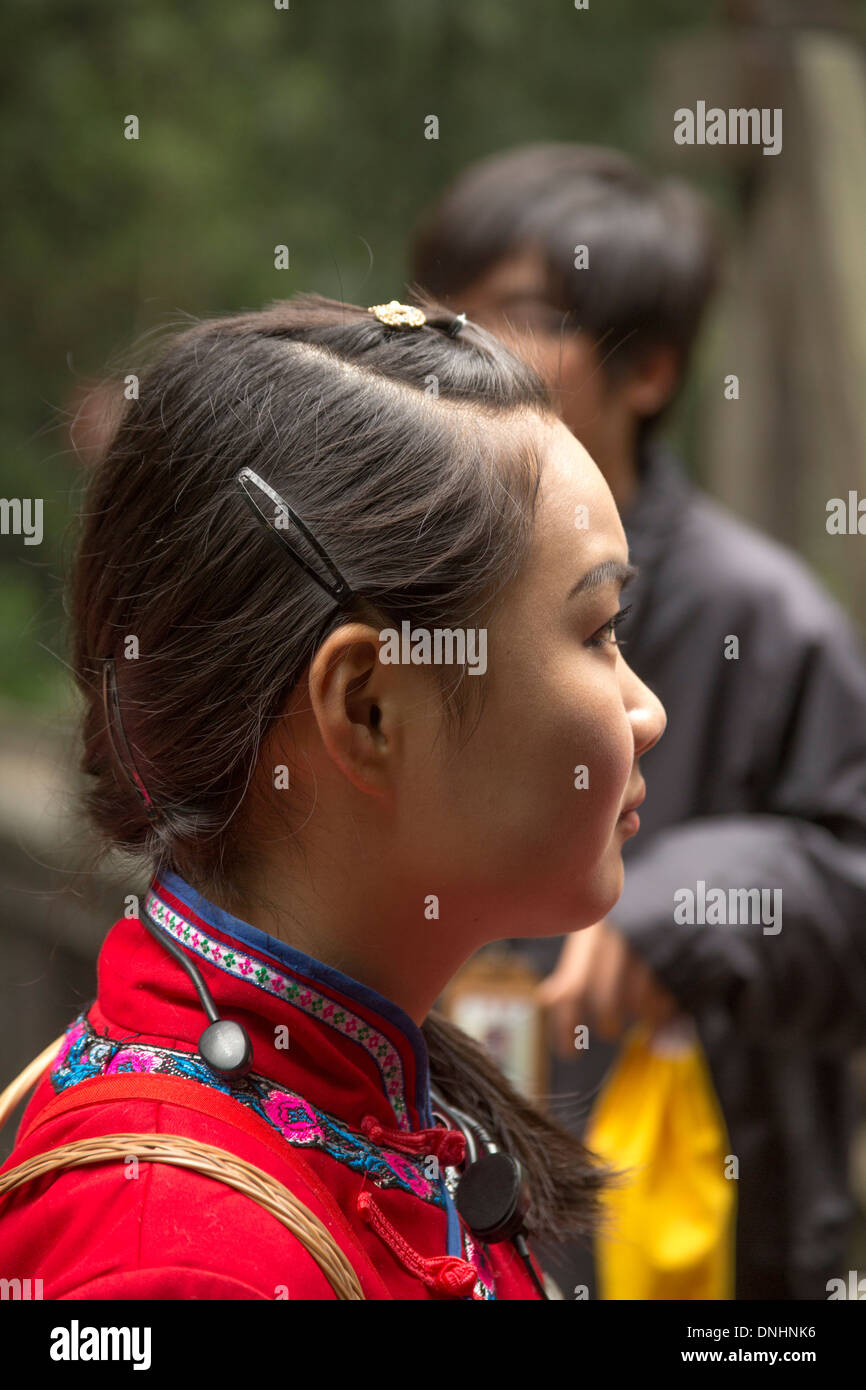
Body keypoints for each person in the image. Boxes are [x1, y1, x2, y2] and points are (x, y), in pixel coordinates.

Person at [0, 292, 665, 1300]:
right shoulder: (172, 1259)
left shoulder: (368, 1102)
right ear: (366, 709)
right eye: (594, 632)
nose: (643, 709)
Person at [410, 144, 866, 1300]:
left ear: (650, 369)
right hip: (451, 1214)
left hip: (699, 1235)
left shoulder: (758, 619)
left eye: (514, 315)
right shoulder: (406, 587)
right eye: (438, 309)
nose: (458, 350)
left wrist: (692, 901)